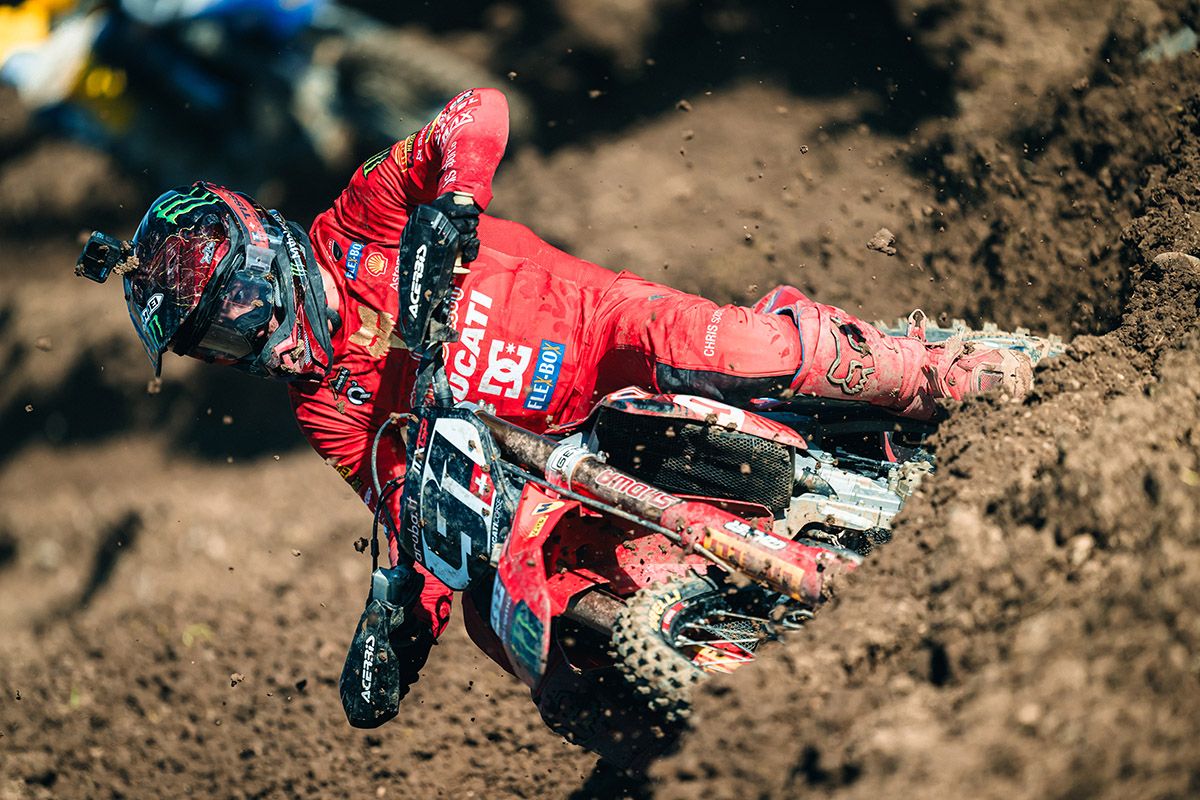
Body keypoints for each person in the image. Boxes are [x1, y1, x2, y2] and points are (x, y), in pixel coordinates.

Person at [82, 87, 1032, 728]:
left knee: (733, 346)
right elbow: (410, 505)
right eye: (219, 343)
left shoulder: (364, 217)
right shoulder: (325, 404)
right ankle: (697, 715)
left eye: (239, 312)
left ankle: (933, 372)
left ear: (266, 251)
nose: (251, 342)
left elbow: (477, 110)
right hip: (548, 465)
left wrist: (455, 201)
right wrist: (400, 621)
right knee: (509, 612)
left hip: (606, 335)